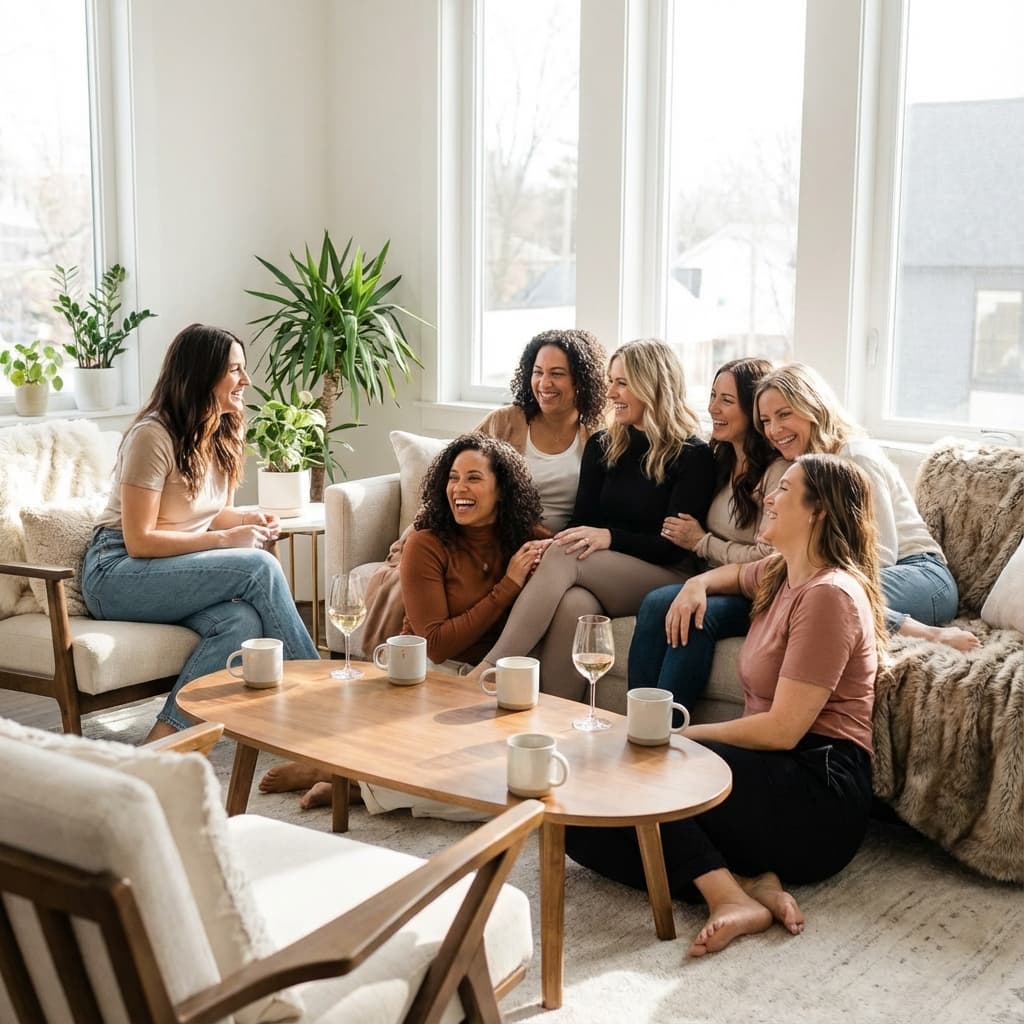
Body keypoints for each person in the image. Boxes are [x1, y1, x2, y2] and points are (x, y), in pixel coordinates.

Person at [566, 454, 887, 956]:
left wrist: (680, 736)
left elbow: (783, 731)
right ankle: (748, 883)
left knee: (652, 766)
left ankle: (725, 899)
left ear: (818, 510)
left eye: (784, 489)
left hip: (818, 791)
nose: (768, 497)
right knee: (578, 826)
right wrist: (694, 584)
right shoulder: (782, 573)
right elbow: (728, 578)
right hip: (769, 774)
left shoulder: (830, 595)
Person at [267, 433, 548, 809]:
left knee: (502, 792)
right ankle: (335, 771)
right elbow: (437, 644)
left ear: (503, 490)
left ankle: (353, 785)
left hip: (485, 685)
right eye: (452, 477)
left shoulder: (529, 542)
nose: (459, 488)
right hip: (430, 674)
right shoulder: (427, 543)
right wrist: (508, 586)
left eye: (474, 478)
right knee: (484, 792)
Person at [81, 324, 319, 743]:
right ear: (200, 376)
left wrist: (250, 520)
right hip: (116, 571)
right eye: (234, 370)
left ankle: (167, 742)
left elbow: (213, 514)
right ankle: (325, 701)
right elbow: (140, 540)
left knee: (240, 620)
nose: (246, 381)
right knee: (257, 570)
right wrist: (227, 541)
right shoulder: (152, 436)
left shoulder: (226, 430)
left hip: (174, 568)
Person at [469, 338, 716, 698]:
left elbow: (670, 547)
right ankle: (554, 719)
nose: (611, 391)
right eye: (610, 380)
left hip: (665, 574)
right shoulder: (603, 445)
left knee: (565, 554)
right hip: (607, 574)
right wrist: (549, 543)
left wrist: (610, 538)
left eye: (622, 383)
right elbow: (582, 521)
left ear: (653, 385)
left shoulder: (693, 456)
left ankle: (489, 671)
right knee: (576, 605)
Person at [754, 363, 979, 651]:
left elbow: (880, 554)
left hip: (921, 576)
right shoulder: (804, 469)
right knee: (798, 593)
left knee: (824, 595)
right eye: (765, 421)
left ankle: (932, 635)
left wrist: (818, 577)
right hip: (870, 576)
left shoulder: (856, 457)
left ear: (814, 407)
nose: (773, 430)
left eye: (784, 414)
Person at [629, 357, 787, 707]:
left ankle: (667, 731)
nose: (713, 408)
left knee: (699, 615)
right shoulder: (720, 460)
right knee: (656, 603)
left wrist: (703, 542)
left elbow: (771, 559)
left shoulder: (777, 472)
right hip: (711, 580)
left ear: (752, 410)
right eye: (713, 396)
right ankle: (637, 721)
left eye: (727, 401)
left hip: (755, 591)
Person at [475, 327, 608, 532]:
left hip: (567, 548)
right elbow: (455, 469)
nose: (544, 383)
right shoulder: (504, 421)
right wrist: (425, 518)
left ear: (581, 380)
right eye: (538, 372)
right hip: (504, 535)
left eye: (557, 373)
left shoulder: (600, 433)